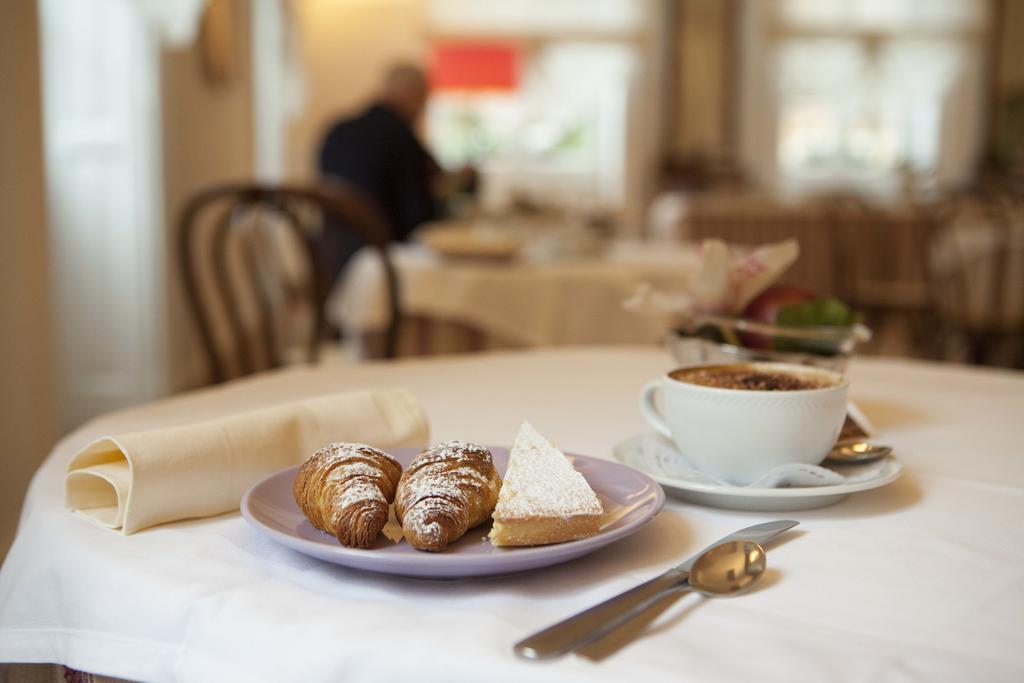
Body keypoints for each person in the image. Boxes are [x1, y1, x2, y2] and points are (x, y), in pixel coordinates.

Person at [315, 63, 472, 292]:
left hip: (332, 258)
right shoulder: (402, 138)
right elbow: (420, 215)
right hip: (387, 267)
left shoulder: (336, 130)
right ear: (414, 96)